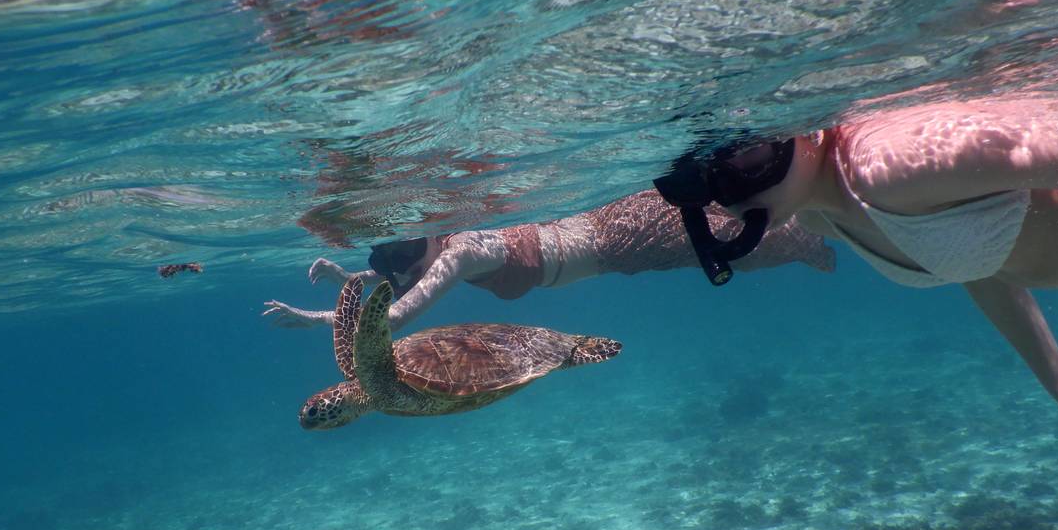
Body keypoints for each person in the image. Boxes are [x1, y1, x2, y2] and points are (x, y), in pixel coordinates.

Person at [651, 96, 1058, 475]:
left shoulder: (894, 161)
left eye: (743, 151)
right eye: (702, 172)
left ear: (803, 123)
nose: (730, 188)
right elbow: (974, 258)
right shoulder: (819, 209)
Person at [262, 189, 835, 332]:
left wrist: (313, 319)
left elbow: (395, 316)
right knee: (722, 234)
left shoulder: (459, 252)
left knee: (730, 242)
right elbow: (399, 282)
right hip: (615, 234)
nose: (417, 252)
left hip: (620, 239)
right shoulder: (448, 249)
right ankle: (808, 229)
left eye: (411, 245)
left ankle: (813, 235)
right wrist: (346, 280)